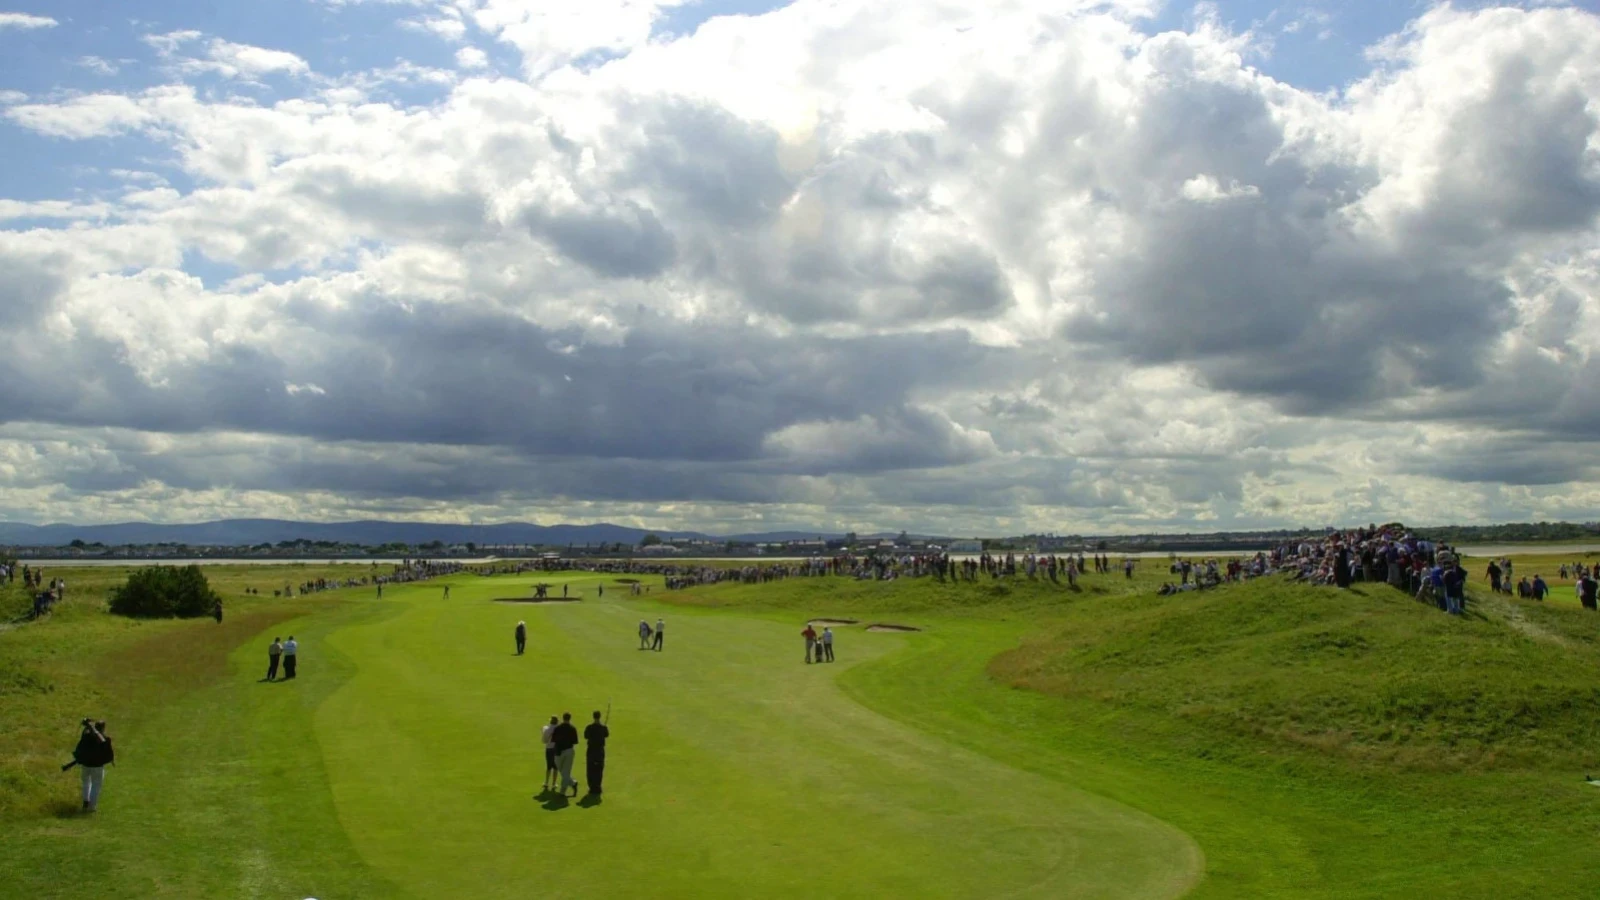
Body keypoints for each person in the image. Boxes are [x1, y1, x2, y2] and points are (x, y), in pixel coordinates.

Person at [62, 719, 113, 812]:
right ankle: (92, 807)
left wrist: (87, 726)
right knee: (96, 786)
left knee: (86, 783)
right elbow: (103, 743)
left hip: (86, 765)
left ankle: (86, 801)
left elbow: (83, 736)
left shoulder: (86, 736)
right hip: (97, 767)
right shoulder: (104, 738)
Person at [552, 713, 580, 796]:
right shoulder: (572, 728)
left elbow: (553, 740)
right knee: (565, 772)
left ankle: (562, 792)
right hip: (569, 751)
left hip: (559, 752)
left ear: (563, 718)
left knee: (565, 772)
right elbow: (575, 741)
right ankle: (573, 783)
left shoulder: (558, 728)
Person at [583, 711, 610, 796]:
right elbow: (606, 735)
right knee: (599, 768)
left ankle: (591, 787)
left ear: (593, 717)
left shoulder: (589, 727)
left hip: (591, 750)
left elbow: (585, 736)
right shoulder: (603, 727)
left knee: (590, 768)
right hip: (600, 750)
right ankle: (598, 787)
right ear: (600, 716)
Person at [541, 715, 560, 790]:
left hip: (549, 749)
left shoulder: (547, 729)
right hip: (556, 749)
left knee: (549, 766)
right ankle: (554, 783)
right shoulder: (559, 729)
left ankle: (546, 782)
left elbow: (544, 741)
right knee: (555, 767)